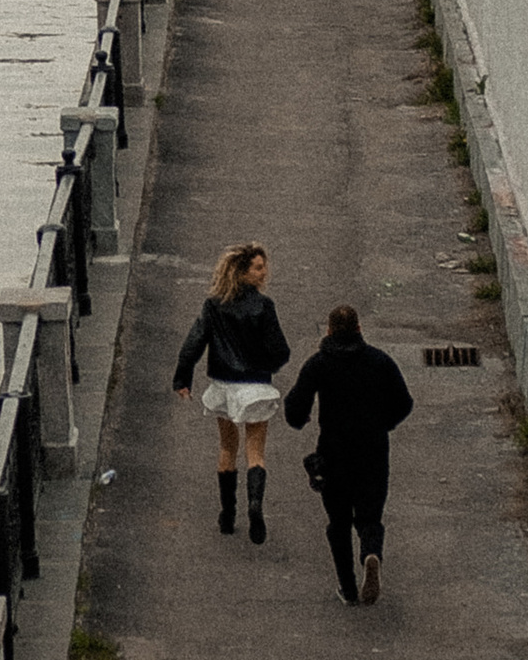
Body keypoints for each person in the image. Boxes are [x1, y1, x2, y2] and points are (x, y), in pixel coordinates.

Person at [283, 304, 415, 607]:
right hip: (373, 450)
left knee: (338, 522)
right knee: (370, 515)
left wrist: (301, 419)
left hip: (334, 453)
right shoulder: (380, 362)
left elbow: (294, 409)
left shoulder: (318, 364)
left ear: (329, 331)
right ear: (359, 329)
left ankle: (348, 588)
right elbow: (404, 403)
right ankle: (371, 552)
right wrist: (384, 423)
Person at [172, 242, 290, 543]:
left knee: (227, 448)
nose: (265, 272)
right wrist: (266, 366)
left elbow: (194, 343)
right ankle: (255, 503)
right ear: (244, 272)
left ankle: (227, 515)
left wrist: (183, 377)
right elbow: (280, 351)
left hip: (223, 385)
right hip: (256, 387)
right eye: (259, 267)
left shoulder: (214, 304)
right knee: (256, 452)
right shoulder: (264, 306)